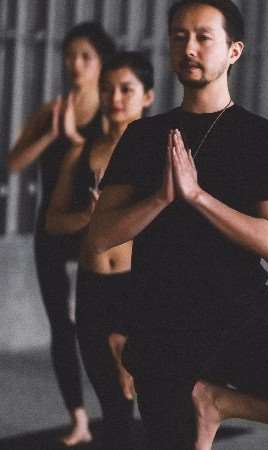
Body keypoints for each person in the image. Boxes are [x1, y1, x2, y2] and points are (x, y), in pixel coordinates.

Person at [84, 1, 268, 449]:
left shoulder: (261, 138)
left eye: (203, 37)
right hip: (163, 329)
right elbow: (100, 237)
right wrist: (162, 198)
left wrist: (198, 197)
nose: (189, 48)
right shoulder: (143, 137)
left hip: (240, 320)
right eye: (179, 36)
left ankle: (219, 402)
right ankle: (204, 402)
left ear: (234, 51)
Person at [5, 22, 115, 447]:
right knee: (61, 326)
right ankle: (79, 418)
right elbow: (13, 163)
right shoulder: (51, 111)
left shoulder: (111, 116)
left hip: (93, 232)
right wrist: (52, 134)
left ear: (101, 63)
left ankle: (118, 407)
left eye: (85, 56)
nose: (75, 64)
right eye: (69, 55)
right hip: (51, 230)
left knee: (99, 326)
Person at [46, 51, 155, 450]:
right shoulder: (81, 153)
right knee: (113, 403)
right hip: (93, 285)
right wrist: (87, 217)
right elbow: (52, 222)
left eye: (126, 89)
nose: (115, 98)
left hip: (137, 287)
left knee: (152, 394)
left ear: (147, 96)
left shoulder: (160, 153)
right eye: (107, 89)